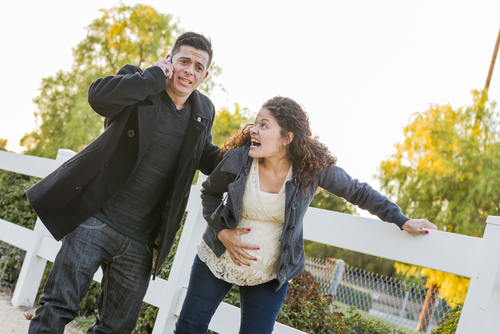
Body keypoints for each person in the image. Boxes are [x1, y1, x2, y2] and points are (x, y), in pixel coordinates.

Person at [174, 96, 437, 334]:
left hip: (270, 273)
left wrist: (401, 219)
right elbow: (209, 194)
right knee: (188, 328)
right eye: (256, 123)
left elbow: (358, 192)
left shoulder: (311, 170)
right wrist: (223, 232)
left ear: (287, 138)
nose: (253, 130)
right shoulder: (238, 159)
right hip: (217, 258)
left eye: (264, 126)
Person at [27, 32, 220, 333]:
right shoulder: (140, 81)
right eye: (184, 61)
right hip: (95, 219)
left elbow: (204, 155)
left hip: (141, 241)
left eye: (198, 66)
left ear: (204, 75)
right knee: (57, 307)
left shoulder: (204, 111)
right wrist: (153, 77)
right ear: (170, 60)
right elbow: (98, 98)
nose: (189, 71)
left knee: (116, 328)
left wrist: (248, 154)